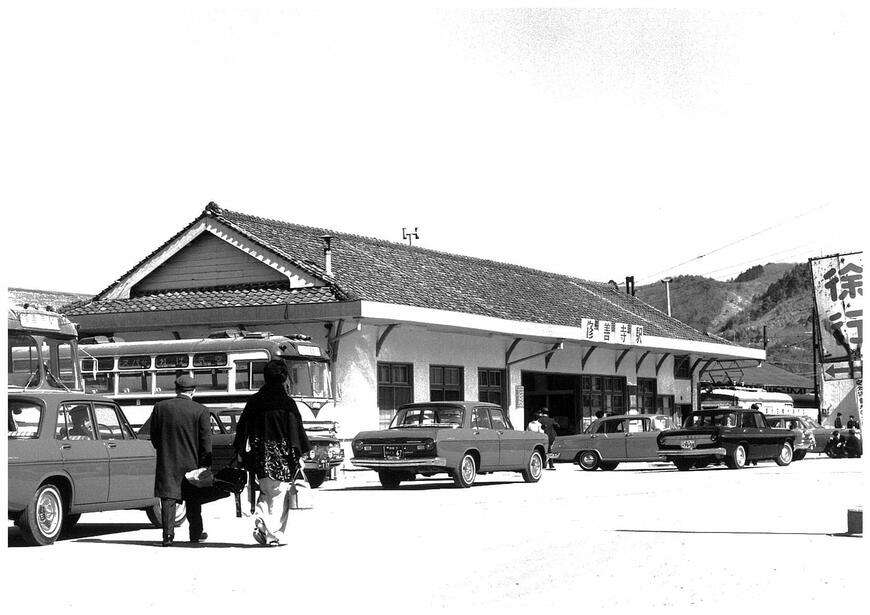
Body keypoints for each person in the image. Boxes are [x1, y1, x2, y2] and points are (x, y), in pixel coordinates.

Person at [233, 359, 311, 546]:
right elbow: (295, 431)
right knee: (278, 494)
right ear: (284, 378)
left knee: (268, 491)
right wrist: (299, 453)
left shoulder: (255, 401)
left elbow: (242, 428)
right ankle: (271, 533)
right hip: (282, 457)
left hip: (260, 456)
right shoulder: (287, 403)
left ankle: (263, 523)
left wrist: (240, 451)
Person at [149, 374, 213, 547]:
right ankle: (195, 533)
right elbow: (205, 441)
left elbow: (154, 437)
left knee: (168, 498)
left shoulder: (160, 408)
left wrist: (164, 451)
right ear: (193, 391)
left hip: (167, 461)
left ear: (176, 389)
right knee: (193, 499)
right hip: (191, 462)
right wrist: (205, 464)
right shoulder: (200, 410)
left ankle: (167, 536)